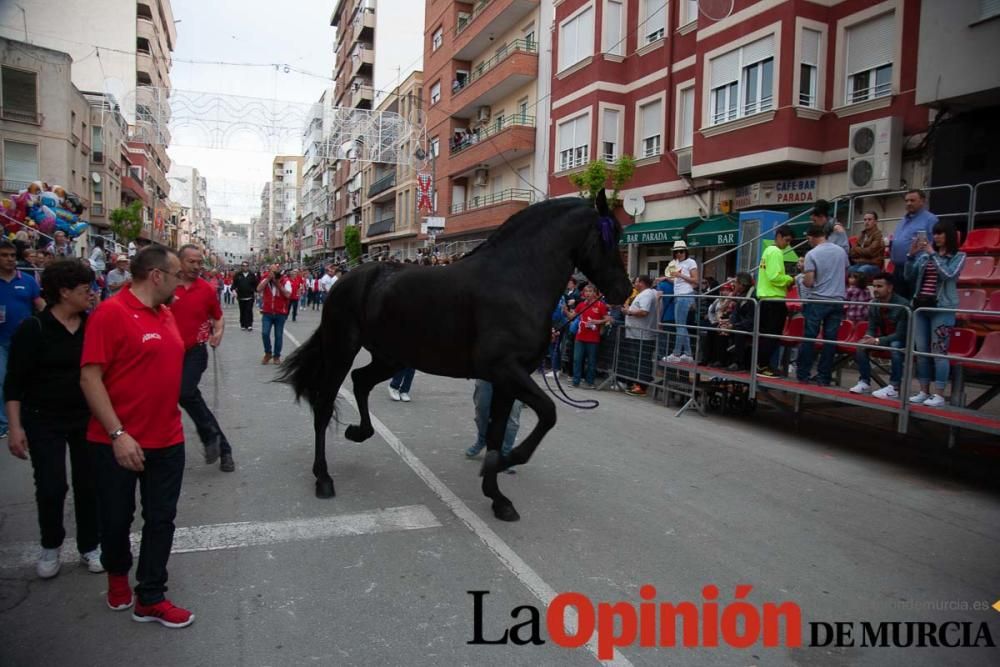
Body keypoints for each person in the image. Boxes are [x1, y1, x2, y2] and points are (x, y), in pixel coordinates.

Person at [79, 246, 194, 628]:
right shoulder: (110, 313)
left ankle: (151, 596)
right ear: (157, 276)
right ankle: (117, 579)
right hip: (117, 442)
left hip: (168, 438)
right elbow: (90, 377)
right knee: (115, 518)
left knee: (161, 519)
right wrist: (118, 434)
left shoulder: (166, 313)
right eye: (178, 273)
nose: (183, 280)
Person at [4, 259, 102, 578]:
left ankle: (90, 545)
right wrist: (16, 427)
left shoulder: (92, 325)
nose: (92, 294)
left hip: (86, 417)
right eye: (86, 290)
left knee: (89, 484)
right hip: (42, 419)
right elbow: (14, 382)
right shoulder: (33, 329)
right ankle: (51, 545)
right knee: (51, 485)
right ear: (64, 292)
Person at [171, 245, 234, 472]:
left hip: (195, 351)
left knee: (185, 392)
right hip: (166, 353)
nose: (197, 266)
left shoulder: (206, 289)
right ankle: (222, 447)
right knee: (184, 398)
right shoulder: (166, 286)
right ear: (179, 262)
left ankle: (212, 439)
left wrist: (218, 333)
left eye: (199, 262)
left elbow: (217, 318)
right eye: (192, 262)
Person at [905, 220, 966, 407]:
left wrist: (933, 255)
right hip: (922, 306)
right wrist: (911, 255)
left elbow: (949, 275)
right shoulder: (925, 257)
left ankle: (939, 394)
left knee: (939, 352)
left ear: (949, 235)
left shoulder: (959, 256)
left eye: (941, 233)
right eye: (935, 233)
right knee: (922, 352)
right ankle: (924, 391)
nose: (937, 237)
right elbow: (909, 276)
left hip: (942, 308)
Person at [0, 239, 45, 438]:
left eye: (12, 256)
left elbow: (40, 304)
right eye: (4, 255)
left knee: (25, 379)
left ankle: (23, 416)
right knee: (2, 380)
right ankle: (5, 424)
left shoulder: (27, 280)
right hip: (0, 340)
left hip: (24, 342)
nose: (9, 259)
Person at [795, 224, 849, 386]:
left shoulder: (812, 254)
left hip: (818, 300)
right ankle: (824, 377)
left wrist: (802, 276)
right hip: (837, 300)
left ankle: (803, 375)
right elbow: (845, 272)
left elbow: (809, 282)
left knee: (809, 338)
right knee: (830, 341)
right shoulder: (841, 251)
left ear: (811, 237)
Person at [849, 273, 909, 400]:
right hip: (884, 338)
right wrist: (868, 337)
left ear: (890, 288)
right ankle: (864, 382)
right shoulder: (873, 304)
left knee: (896, 346)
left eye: (879, 286)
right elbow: (871, 327)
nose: (875, 289)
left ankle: (894, 387)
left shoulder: (903, 305)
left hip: (902, 341)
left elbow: (901, 334)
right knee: (861, 345)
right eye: (874, 286)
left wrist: (876, 340)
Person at [756, 225, 795, 377]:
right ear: (779, 236)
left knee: (767, 335)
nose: (787, 244)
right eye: (786, 240)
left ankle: (762, 364)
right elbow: (774, 276)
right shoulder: (776, 252)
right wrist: (790, 279)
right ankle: (763, 366)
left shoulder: (767, 251)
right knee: (772, 335)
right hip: (774, 299)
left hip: (766, 298)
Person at [891, 189, 938, 300]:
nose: (908, 203)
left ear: (922, 201)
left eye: (912, 200)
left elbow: (935, 243)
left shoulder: (931, 219)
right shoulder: (902, 220)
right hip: (898, 268)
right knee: (899, 304)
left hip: (916, 269)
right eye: (906, 201)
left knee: (913, 301)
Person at [464, 380, 520, 474]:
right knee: (482, 410)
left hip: (515, 375)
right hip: (487, 374)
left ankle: (506, 453)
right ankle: (483, 439)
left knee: (512, 417)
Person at [621, 275, 658, 396]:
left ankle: (642, 386)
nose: (634, 284)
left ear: (641, 283)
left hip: (642, 333)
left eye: (636, 282)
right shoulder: (644, 293)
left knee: (643, 360)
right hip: (636, 333)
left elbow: (644, 311)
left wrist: (629, 312)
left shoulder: (647, 294)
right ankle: (637, 383)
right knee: (638, 360)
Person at [664, 240, 699, 363]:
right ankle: (688, 354)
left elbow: (696, 280)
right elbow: (677, 282)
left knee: (680, 325)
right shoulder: (676, 263)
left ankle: (677, 353)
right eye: (676, 251)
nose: (679, 253)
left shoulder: (691, 262)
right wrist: (665, 278)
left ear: (685, 251)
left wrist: (680, 276)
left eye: (681, 251)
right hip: (679, 295)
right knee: (681, 325)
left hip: (685, 295)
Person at [571, 284, 611, 388]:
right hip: (580, 336)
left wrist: (597, 321)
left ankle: (590, 382)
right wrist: (565, 310)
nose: (587, 293)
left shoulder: (600, 305)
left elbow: (608, 319)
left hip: (593, 338)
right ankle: (576, 381)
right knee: (577, 359)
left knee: (592, 361)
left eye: (590, 291)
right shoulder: (581, 304)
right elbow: (572, 316)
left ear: (594, 293)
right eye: (586, 291)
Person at [257, 263, 293, 364]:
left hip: (280, 313)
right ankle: (268, 353)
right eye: (271, 271)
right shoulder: (266, 279)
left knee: (278, 335)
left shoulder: (285, 281)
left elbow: (288, 295)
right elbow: (258, 289)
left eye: (275, 271)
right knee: (265, 333)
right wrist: (268, 279)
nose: (273, 273)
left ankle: (276, 356)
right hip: (267, 312)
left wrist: (278, 284)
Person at [719, 273, 756, 371]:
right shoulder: (742, 295)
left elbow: (750, 320)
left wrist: (734, 325)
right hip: (740, 323)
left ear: (742, 284)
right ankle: (720, 360)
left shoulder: (753, 297)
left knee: (739, 332)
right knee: (718, 326)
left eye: (736, 283)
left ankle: (739, 363)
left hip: (750, 325)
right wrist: (729, 323)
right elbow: (735, 313)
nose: (734, 285)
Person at [848, 211, 885, 276]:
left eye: (869, 219)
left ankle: (860, 286)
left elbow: (870, 252)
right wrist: (859, 250)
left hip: (873, 265)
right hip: (861, 263)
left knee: (861, 271)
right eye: (865, 220)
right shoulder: (862, 234)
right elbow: (851, 253)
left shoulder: (878, 235)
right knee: (848, 270)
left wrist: (856, 249)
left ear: (875, 222)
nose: (866, 222)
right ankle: (852, 287)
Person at [232, 261, 258, 331]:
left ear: (248, 267)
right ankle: (243, 324)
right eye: (243, 266)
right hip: (241, 296)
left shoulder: (252, 275)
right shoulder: (238, 275)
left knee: (249, 310)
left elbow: (256, 285)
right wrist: (234, 291)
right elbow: (234, 285)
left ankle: (249, 325)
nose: (245, 267)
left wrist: (256, 292)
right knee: (242, 311)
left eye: (246, 266)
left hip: (250, 296)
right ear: (241, 267)